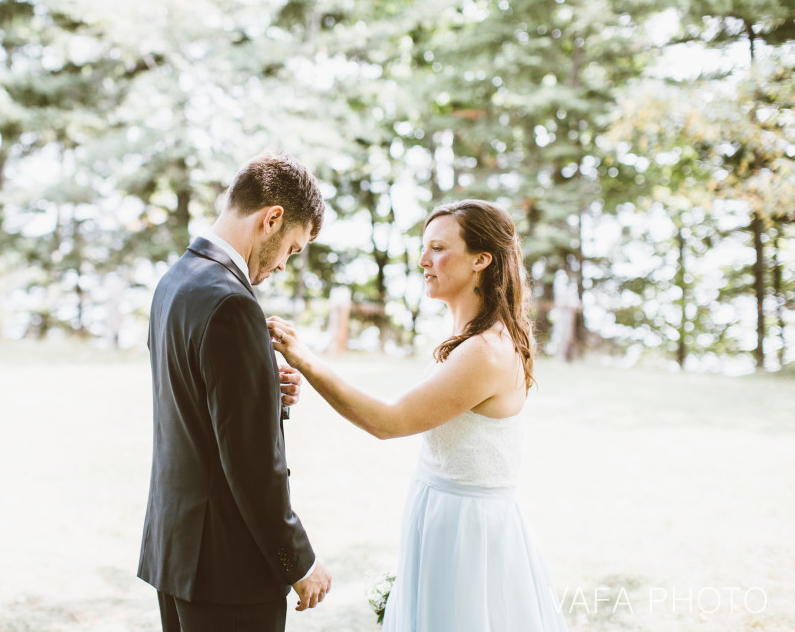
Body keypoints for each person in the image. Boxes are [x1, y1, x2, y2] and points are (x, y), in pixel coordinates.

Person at [268, 200, 568, 631]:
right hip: (440, 513)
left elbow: (389, 422)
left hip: (469, 533)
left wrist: (307, 361)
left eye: (439, 248)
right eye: (424, 247)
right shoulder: (464, 338)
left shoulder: (485, 352)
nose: (423, 261)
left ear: (481, 259)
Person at [138, 151, 332, 632]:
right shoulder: (232, 303)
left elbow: (192, 402)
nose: (285, 265)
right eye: (292, 248)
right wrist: (299, 562)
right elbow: (248, 461)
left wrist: (266, 390)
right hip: (228, 571)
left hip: (178, 552)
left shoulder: (175, 282)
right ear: (272, 219)